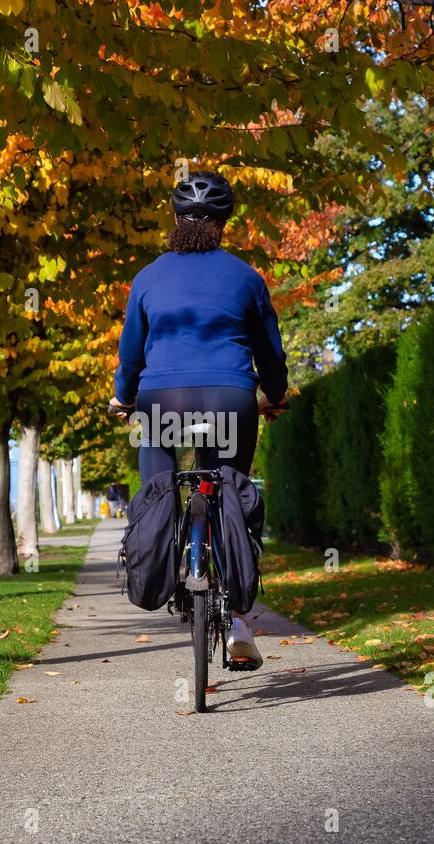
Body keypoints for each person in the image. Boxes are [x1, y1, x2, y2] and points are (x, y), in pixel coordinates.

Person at [110, 171, 288, 668]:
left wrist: (123, 397)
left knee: (159, 488)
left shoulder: (147, 277)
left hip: (163, 400)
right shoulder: (248, 278)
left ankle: (163, 563)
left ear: (174, 218)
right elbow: (270, 356)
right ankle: (237, 621)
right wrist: (275, 395)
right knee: (228, 485)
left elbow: (131, 355)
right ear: (225, 223)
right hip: (231, 397)